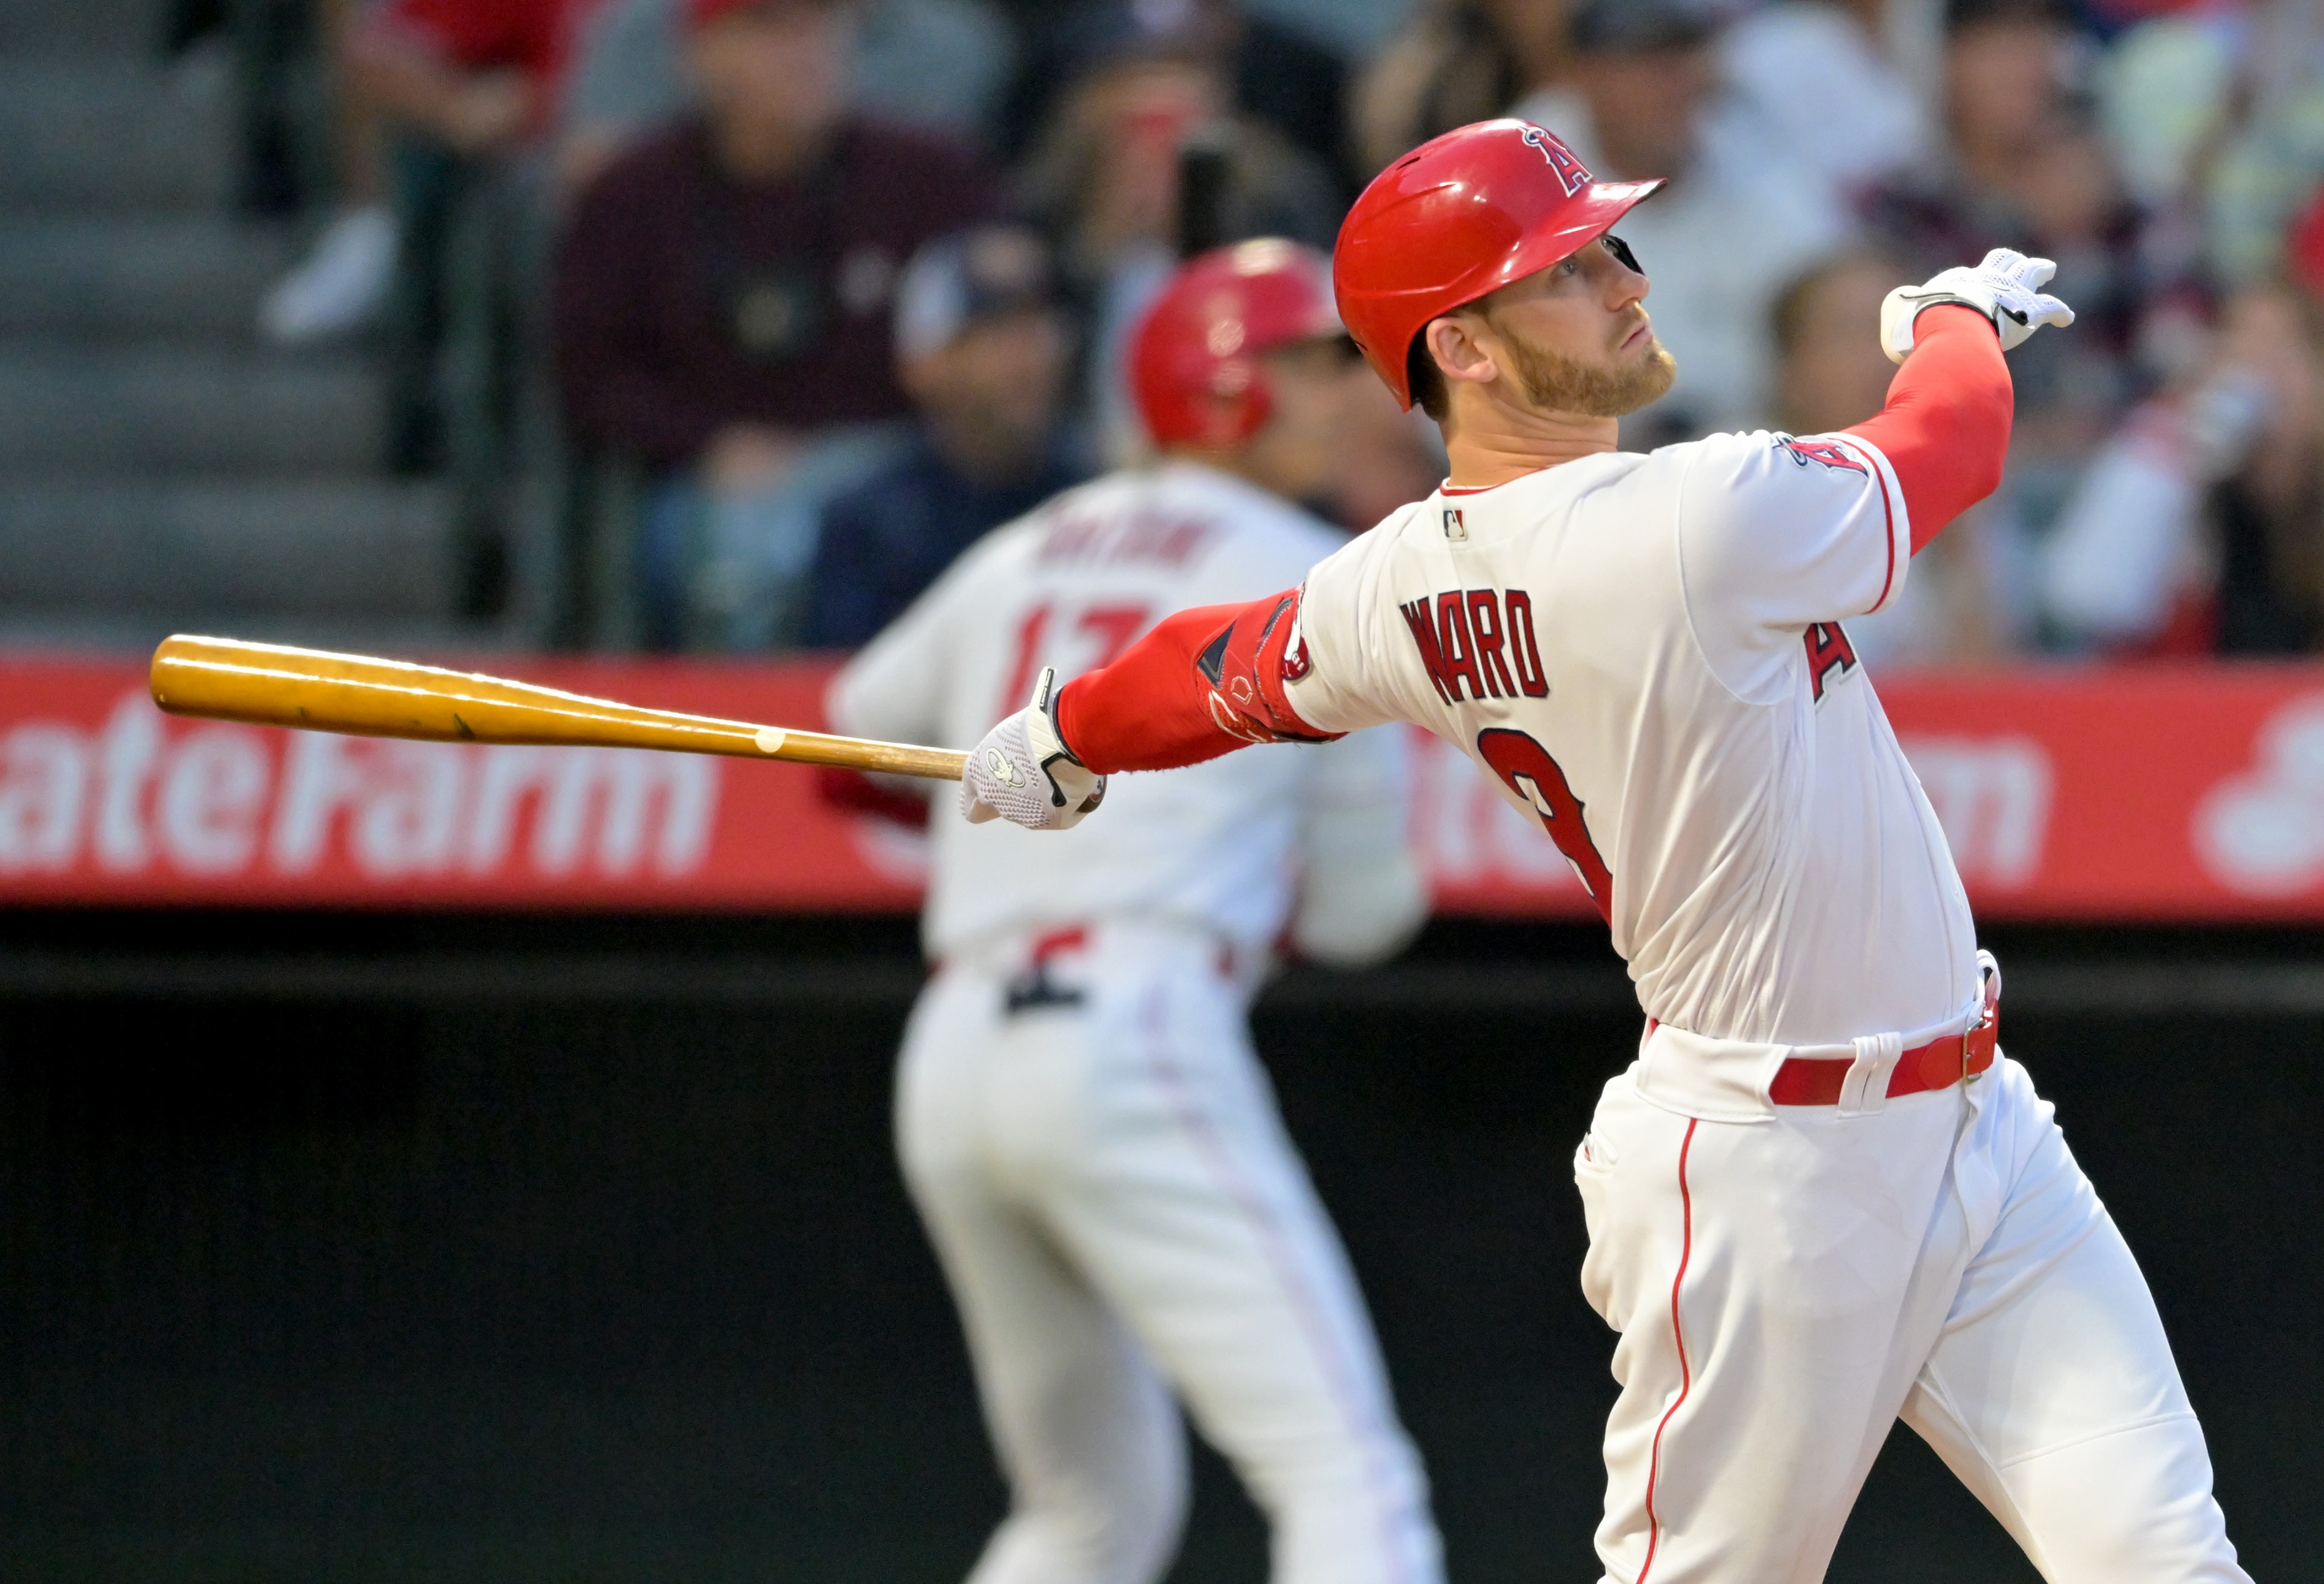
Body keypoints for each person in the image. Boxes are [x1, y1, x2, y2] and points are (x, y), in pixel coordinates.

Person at [960, 118, 2252, 1582]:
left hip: (1974, 1120)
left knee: (2163, 1557)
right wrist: (1950, 319)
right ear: (1465, 349)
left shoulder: (1389, 584)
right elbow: (1944, 444)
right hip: (1765, 1166)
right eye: (1568, 269)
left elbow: (1217, 663)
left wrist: (1069, 730)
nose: (1627, 279)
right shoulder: (1688, 518)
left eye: (1611, 246)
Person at [827, 240, 1444, 1584]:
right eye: (1308, 367)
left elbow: (853, 742)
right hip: (1134, 1019)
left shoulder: (1027, 541)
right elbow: (1363, 916)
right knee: (1347, 1478)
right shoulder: (1324, 575)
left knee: (1087, 1514)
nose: (1345, 398)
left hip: (952, 1053)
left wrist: (999, 834)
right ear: (1223, 385)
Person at [553, 0, 998, 646]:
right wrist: (706, 441)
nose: (807, 50)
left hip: (895, 455)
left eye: (822, 26)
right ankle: (752, 731)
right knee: (733, 546)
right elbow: (586, 374)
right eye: (771, 30)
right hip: (712, 470)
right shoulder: (634, 193)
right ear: (702, 55)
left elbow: (995, 315)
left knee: (906, 524)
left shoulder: (930, 175)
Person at [1511, 0, 1849, 443]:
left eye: (1680, 57)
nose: (1668, 85)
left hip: (1750, 454)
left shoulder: (1752, 148)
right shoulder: (1522, 168)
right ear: (1583, 76)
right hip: (1582, 461)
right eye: (1640, 64)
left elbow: (1825, 292)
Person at [804, 225, 1090, 649]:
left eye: (1041, 327)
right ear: (923, 364)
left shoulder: (1093, 507)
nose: (1031, 357)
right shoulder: (870, 525)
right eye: (995, 333)